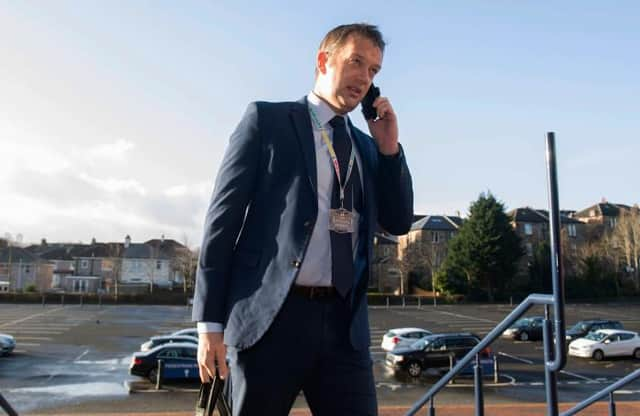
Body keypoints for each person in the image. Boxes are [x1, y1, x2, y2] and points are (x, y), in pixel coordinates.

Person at [193, 23, 413, 416]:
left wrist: (390, 148)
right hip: (271, 322)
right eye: (356, 62)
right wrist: (209, 324)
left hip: (345, 330)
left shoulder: (366, 146)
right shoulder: (267, 121)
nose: (364, 78)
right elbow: (221, 224)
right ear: (323, 60)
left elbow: (397, 222)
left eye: (374, 71)